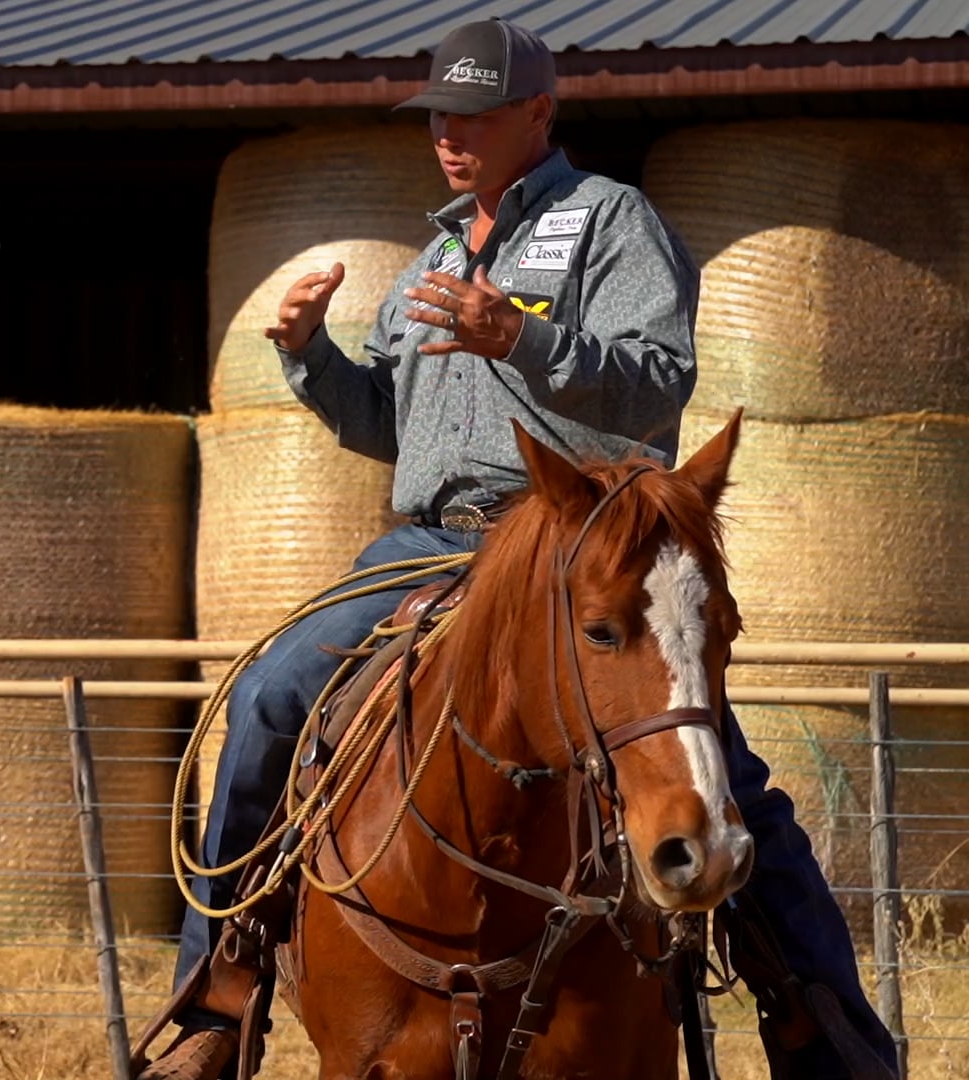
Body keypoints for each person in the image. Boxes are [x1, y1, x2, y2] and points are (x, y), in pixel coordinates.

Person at [136, 18, 895, 1080]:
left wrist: (521, 339)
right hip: (425, 546)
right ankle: (217, 996)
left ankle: (823, 1031)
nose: (450, 135)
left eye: (474, 115)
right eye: (440, 116)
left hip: (570, 543)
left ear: (538, 113)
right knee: (271, 696)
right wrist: (311, 359)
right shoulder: (439, 249)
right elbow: (386, 422)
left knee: (722, 770)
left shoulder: (610, 223)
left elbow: (655, 379)